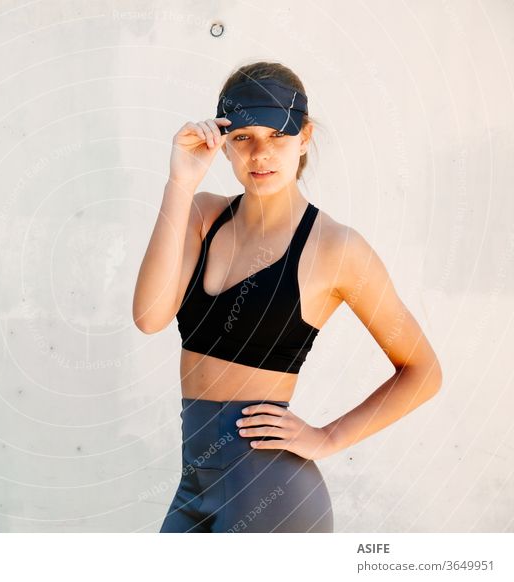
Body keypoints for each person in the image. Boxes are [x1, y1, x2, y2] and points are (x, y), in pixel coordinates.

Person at [132, 61, 443, 533]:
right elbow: (150, 317)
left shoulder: (336, 249)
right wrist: (180, 182)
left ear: (305, 136)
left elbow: (423, 372)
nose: (260, 153)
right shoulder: (202, 214)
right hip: (193, 483)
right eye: (242, 138)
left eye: (277, 135)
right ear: (222, 143)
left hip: (269, 491)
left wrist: (328, 437)